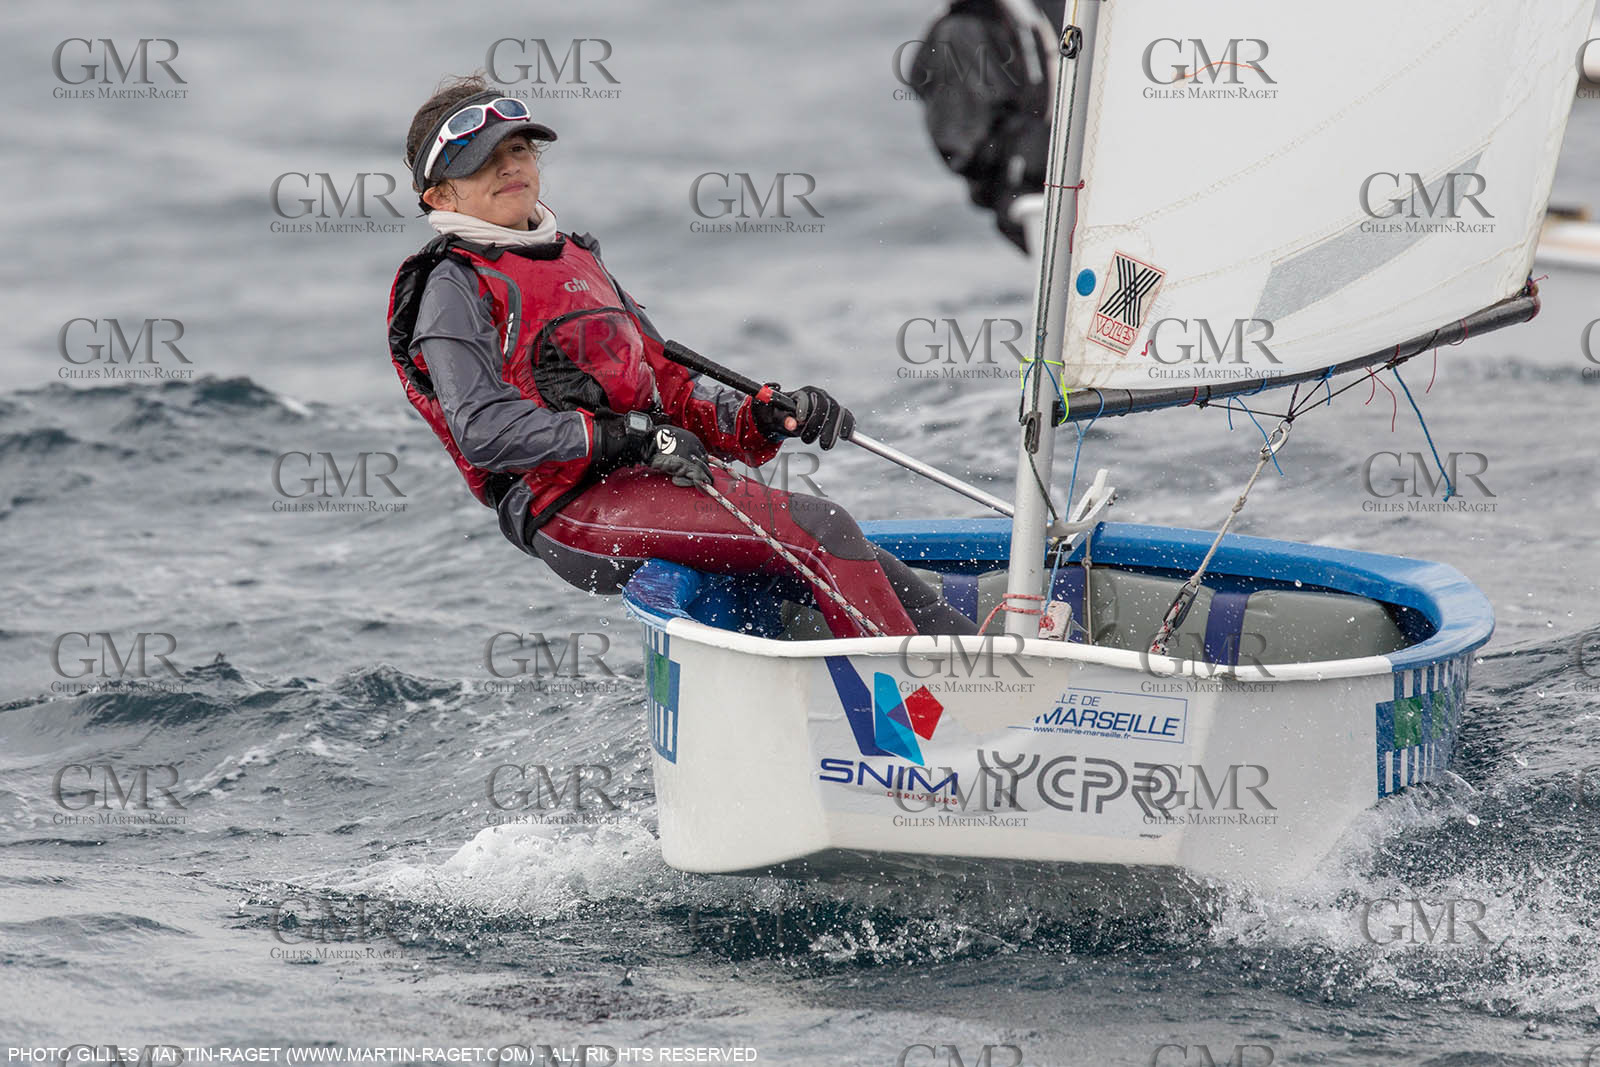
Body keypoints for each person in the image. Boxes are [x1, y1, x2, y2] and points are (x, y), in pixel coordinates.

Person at [387, 75, 976, 639]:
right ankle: (926, 720)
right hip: (568, 506)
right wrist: (630, 437)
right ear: (440, 196)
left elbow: (670, 388)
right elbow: (484, 431)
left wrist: (762, 415)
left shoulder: (575, 259)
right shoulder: (452, 287)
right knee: (823, 530)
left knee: (853, 549)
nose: (510, 165)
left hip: (653, 478)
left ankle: (993, 673)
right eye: (483, 161)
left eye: (518, 149)